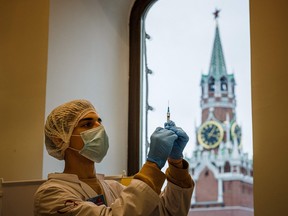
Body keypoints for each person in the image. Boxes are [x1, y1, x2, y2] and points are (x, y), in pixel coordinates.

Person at [34, 99, 194, 215]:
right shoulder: (51, 195)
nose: (99, 128)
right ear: (60, 138)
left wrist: (175, 163)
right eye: (87, 124)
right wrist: (152, 165)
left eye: (99, 122)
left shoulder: (113, 188)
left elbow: (167, 212)